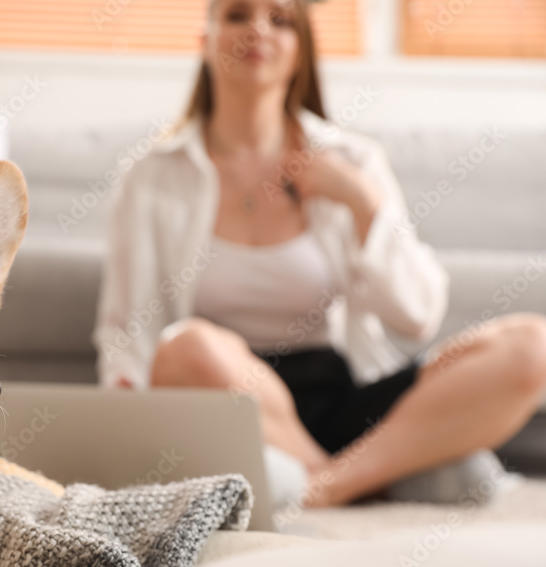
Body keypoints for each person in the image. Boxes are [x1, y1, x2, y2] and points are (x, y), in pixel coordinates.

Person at [93, 0, 546, 507]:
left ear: (300, 50)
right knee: (187, 347)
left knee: (534, 345)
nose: (259, 29)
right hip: (231, 398)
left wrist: (363, 203)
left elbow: (418, 317)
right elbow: (128, 331)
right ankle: (372, 476)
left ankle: (320, 486)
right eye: (238, 14)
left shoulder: (353, 161)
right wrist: (125, 425)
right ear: (205, 38)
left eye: (281, 19)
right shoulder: (152, 174)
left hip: (349, 398)